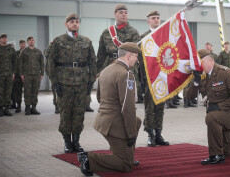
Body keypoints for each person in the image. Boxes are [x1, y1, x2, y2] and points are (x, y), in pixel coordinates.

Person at [77, 42, 142, 176]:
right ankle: (88, 159)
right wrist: (131, 133)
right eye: (136, 56)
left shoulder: (106, 70)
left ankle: (126, 154)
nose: (137, 60)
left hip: (103, 121)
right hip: (115, 124)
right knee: (126, 165)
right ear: (129, 55)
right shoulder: (126, 74)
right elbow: (127, 107)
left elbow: (99, 97)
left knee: (137, 120)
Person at [48, 13, 97, 153]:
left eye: (77, 21)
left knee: (79, 112)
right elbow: (50, 63)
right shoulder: (58, 42)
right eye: (71, 22)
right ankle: (67, 143)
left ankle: (76, 142)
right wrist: (55, 82)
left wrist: (91, 80)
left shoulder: (86, 41)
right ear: (66, 24)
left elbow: (92, 61)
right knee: (65, 112)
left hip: (82, 82)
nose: (75, 24)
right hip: (64, 82)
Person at [96, 4, 143, 103]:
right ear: (115, 14)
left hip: (127, 68)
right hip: (109, 66)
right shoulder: (107, 32)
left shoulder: (133, 32)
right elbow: (101, 54)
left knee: (127, 97)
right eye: (121, 13)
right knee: (109, 97)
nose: (124, 15)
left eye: (126, 13)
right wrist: (98, 72)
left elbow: (136, 53)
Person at [140, 10, 170, 147]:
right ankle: (150, 134)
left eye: (158, 18)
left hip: (162, 78)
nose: (156, 20)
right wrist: (141, 80)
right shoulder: (144, 38)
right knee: (150, 108)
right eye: (153, 18)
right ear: (148, 21)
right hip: (149, 79)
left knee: (160, 108)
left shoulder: (165, 37)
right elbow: (140, 61)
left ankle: (158, 134)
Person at [19, 36, 44, 115]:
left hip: (36, 75)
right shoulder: (24, 52)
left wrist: (42, 73)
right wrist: (21, 74)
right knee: (27, 91)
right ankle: (27, 107)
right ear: (27, 42)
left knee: (35, 91)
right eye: (30, 40)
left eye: (33, 40)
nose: (31, 41)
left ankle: (34, 108)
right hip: (27, 75)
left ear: (34, 41)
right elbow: (20, 64)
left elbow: (42, 63)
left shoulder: (39, 51)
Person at [0, 34, 16, 117]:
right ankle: (1, 109)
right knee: (0, 92)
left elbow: (14, 62)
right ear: (0, 39)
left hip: (9, 74)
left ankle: (7, 109)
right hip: (0, 74)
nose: (4, 39)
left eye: (5, 38)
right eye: (2, 38)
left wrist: (13, 72)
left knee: (8, 91)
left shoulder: (11, 49)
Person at [11, 40, 26, 112]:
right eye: (21, 44)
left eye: (23, 44)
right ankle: (18, 106)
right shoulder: (16, 53)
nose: (22, 45)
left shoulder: (28, 52)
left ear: (25, 44)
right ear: (19, 45)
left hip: (27, 75)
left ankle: (28, 106)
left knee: (28, 91)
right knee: (18, 91)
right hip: (18, 75)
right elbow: (13, 63)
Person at [44, 41, 60, 114]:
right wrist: (51, 45)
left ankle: (62, 106)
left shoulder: (60, 52)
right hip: (54, 75)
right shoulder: (48, 51)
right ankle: (56, 106)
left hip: (62, 74)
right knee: (55, 91)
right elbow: (46, 54)